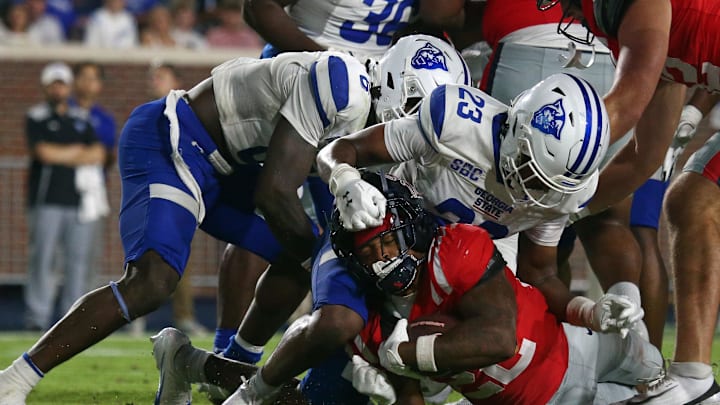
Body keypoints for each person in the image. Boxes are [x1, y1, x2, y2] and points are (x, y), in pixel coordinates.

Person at [222, 73, 647, 403]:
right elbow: (341, 151)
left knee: (432, 378)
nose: (531, 189)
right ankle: (249, 393)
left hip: (455, 274)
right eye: (529, 167)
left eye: (546, 182)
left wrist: (588, 312)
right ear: (516, 127)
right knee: (338, 323)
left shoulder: (560, 194)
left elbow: (540, 272)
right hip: (378, 236)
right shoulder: (456, 121)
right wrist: (346, 181)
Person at [0, 50, 372, 405]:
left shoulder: (364, 111)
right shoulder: (340, 86)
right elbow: (274, 192)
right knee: (152, 280)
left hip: (222, 168)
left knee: (308, 257)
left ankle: (220, 365)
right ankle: (15, 379)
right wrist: (322, 261)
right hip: (173, 141)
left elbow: (326, 220)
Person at [337, 172, 664, 404]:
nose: (382, 259)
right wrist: (388, 395)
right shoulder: (372, 327)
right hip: (537, 398)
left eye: (389, 242)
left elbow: (499, 339)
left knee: (653, 366)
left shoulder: (455, 250)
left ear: (409, 230)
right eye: (367, 253)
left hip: (576, 343)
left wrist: (406, 354)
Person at [536, 0, 720, 403]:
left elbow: (622, 105)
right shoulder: (657, 40)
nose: (568, 10)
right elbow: (639, 158)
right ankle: (696, 379)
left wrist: (542, 161)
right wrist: (559, 209)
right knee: (691, 200)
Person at [22, 62, 107, 331]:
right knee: (43, 259)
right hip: (46, 200)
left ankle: (73, 319)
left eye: (62, 83)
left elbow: (98, 154)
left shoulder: (81, 118)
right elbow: (43, 152)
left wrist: (63, 153)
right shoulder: (36, 116)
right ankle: (37, 317)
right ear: (46, 87)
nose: (59, 88)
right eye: (54, 83)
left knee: (77, 261)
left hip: (79, 202)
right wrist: (76, 152)